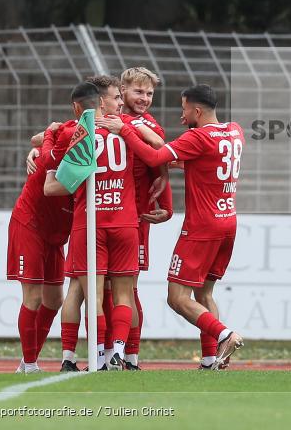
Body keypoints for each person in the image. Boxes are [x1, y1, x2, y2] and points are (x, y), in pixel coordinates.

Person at [98, 84, 244, 371]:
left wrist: (126, 131)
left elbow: (155, 158)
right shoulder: (234, 130)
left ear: (197, 111)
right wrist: (158, 143)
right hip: (229, 223)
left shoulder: (198, 137)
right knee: (205, 295)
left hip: (202, 228)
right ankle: (211, 359)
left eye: (185, 108)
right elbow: (188, 160)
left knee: (177, 298)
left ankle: (225, 334)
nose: (182, 114)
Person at [44, 82, 151, 371]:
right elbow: (158, 146)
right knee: (124, 294)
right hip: (125, 220)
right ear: (103, 102)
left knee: (89, 294)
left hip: (90, 221)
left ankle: (86, 357)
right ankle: (116, 353)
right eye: (117, 98)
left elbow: (57, 175)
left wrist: (45, 157)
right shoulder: (127, 126)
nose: (121, 103)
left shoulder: (78, 131)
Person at [6, 119, 76, 373]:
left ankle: (28, 360)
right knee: (33, 296)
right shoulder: (76, 128)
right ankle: (31, 363)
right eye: (115, 98)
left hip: (56, 233)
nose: (119, 104)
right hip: (31, 224)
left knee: (55, 299)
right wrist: (43, 144)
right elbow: (38, 139)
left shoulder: (108, 129)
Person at [118, 67, 173, 370]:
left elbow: (160, 158)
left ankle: (130, 356)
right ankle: (106, 353)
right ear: (122, 90)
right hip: (107, 212)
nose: (145, 98)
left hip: (136, 218)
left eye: (150, 93)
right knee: (106, 289)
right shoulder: (109, 116)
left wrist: (167, 204)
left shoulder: (146, 124)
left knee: (128, 288)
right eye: (139, 91)